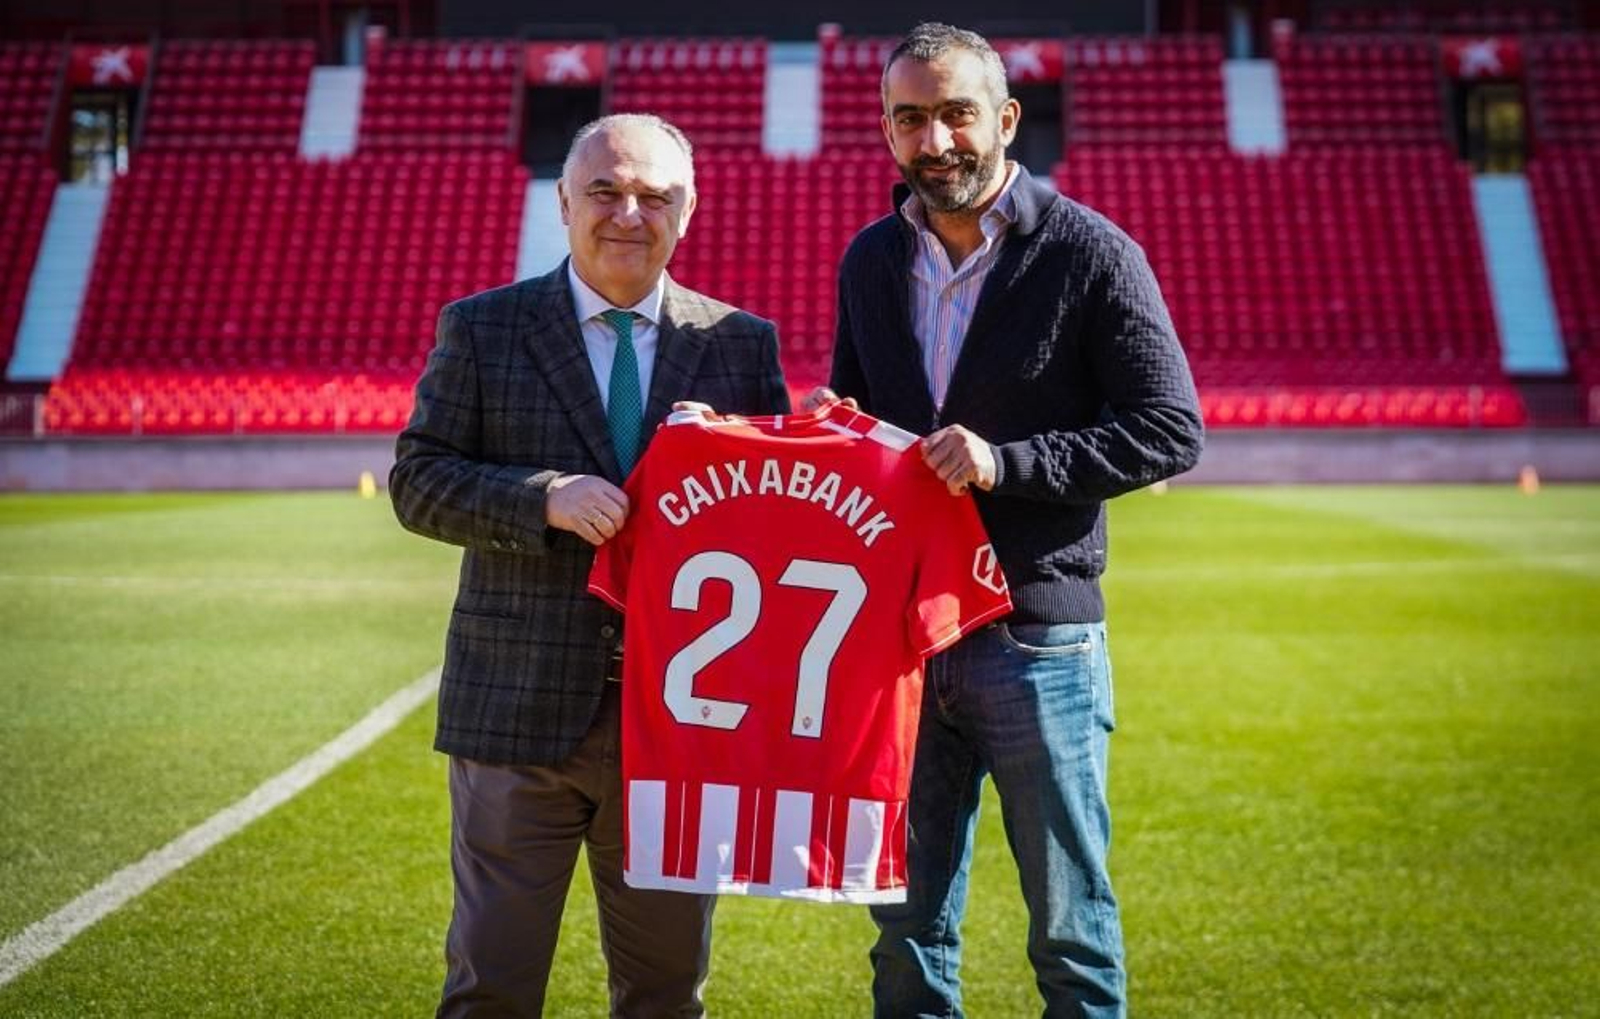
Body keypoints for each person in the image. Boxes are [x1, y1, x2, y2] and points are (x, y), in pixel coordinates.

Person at [821, 22, 1204, 1018]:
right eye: (911, 119)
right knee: (903, 920)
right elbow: (859, 420)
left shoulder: (1089, 251)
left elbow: (1169, 429)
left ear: (1006, 118)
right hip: (903, 637)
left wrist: (1009, 461)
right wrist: (817, 433)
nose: (936, 139)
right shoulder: (868, 260)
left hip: (1038, 636)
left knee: (1068, 924)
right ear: (886, 131)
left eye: (956, 113)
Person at [390, 113, 790, 1017]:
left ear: (688, 212)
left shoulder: (739, 343)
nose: (629, 213)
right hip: (515, 715)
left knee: (663, 993)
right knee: (491, 987)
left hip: (680, 724)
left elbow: (773, 529)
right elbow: (418, 482)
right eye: (606, 191)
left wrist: (816, 445)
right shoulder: (484, 328)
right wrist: (542, 497)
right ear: (564, 201)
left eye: (656, 195)